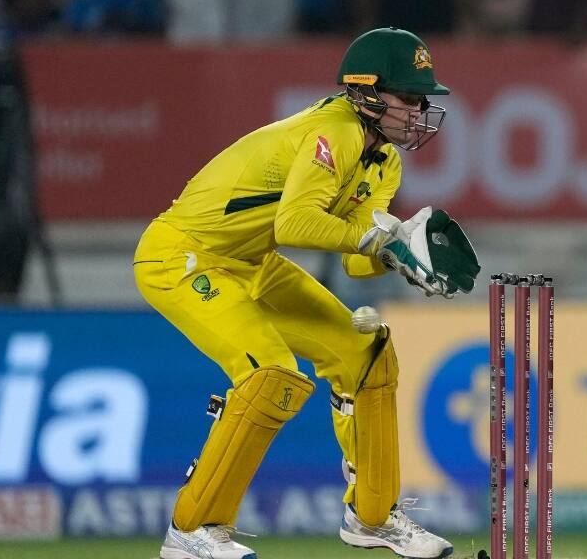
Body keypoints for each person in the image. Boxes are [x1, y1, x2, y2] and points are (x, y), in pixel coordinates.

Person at [134, 28, 479, 559]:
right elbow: (297, 222)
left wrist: (399, 257)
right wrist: (380, 238)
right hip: (183, 254)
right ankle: (193, 530)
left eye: (422, 99)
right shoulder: (334, 132)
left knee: (367, 354)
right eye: (408, 97)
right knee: (271, 373)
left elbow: (353, 258)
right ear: (366, 92)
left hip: (252, 263)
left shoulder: (384, 160)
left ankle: (372, 516)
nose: (418, 111)